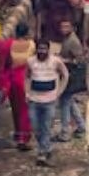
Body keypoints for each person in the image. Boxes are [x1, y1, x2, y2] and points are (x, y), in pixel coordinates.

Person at [25, 38, 68, 167]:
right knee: (35, 126)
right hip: (34, 99)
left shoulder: (56, 61)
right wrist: (26, 92)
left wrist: (59, 91)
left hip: (50, 100)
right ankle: (46, 147)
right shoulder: (30, 61)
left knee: (46, 126)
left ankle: (42, 153)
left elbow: (65, 75)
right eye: (40, 48)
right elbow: (26, 77)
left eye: (44, 49)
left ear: (48, 50)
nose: (42, 51)